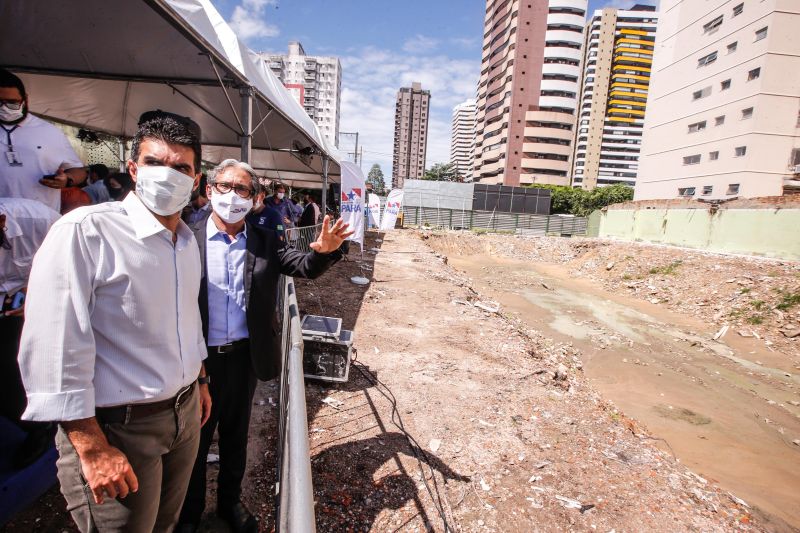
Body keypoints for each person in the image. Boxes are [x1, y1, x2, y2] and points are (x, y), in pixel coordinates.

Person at [17, 110, 212, 533]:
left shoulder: (185, 243)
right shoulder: (86, 232)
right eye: (155, 163)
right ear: (133, 169)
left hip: (182, 416)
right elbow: (53, 345)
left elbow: (184, 320)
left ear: (196, 180)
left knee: (165, 524)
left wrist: (198, 378)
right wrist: (90, 446)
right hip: (118, 428)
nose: (167, 175)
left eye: (181, 167)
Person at [177, 159, 352, 533]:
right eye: (225, 186)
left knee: (236, 437)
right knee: (194, 442)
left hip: (243, 357)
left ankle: (229, 504)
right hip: (197, 361)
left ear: (255, 198)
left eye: (242, 190)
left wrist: (324, 252)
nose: (232, 196)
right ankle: (189, 515)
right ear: (209, 190)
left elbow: (303, 266)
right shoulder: (183, 237)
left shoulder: (263, 239)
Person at [0, 197, 61, 468]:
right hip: (7, 308)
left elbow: (76, 264)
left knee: (16, 363)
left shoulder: (40, 220)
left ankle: (41, 425)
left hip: (44, 300)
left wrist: (36, 293)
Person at [0, 68, 87, 211]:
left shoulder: (49, 132)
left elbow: (79, 170)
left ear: (25, 99)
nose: (5, 109)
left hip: (41, 222)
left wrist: (67, 179)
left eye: (12, 103)